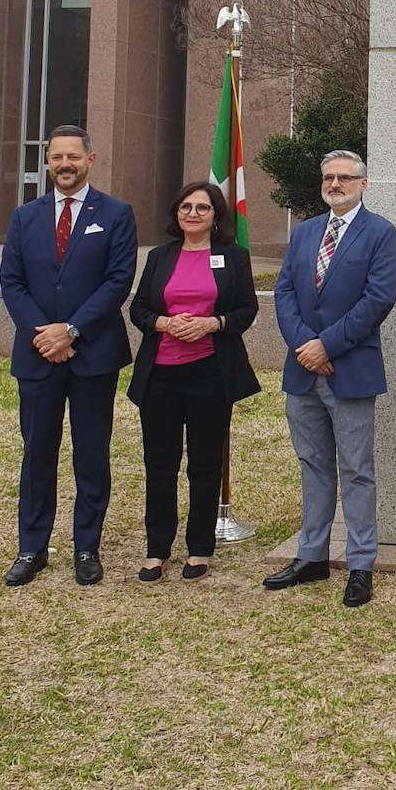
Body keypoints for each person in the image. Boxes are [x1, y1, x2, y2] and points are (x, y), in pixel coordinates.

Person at [0, 125, 137, 586]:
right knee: (37, 452)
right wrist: (45, 334)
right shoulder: (24, 217)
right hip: (38, 355)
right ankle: (32, 547)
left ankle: (86, 547)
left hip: (93, 354)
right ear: (48, 162)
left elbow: (118, 280)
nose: (64, 165)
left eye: (72, 157)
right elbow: (12, 283)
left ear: (90, 160)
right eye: (56, 157)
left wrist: (72, 330)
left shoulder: (116, 214)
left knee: (91, 454)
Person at [265, 150, 396, 607]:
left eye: (345, 177)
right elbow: (283, 292)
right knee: (314, 466)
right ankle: (312, 556)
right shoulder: (304, 233)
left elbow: (378, 299)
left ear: (364, 184)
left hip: (350, 370)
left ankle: (360, 564)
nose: (335, 183)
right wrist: (306, 346)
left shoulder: (380, 233)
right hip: (302, 371)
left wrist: (328, 345)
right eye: (328, 177)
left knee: (357, 471)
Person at [127, 182, 260, 582]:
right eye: (186, 207)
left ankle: (200, 548)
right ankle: (157, 550)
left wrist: (212, 324)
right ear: (177, 214)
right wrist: (164, 323)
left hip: (210, 375)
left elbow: (246, 310)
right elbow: (139, 309)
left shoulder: (233, 257)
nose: (193, 213)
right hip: (161, 376)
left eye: (202, 208)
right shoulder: (159, 257)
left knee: (204, 465)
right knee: (160, 464)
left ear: (216, 216)